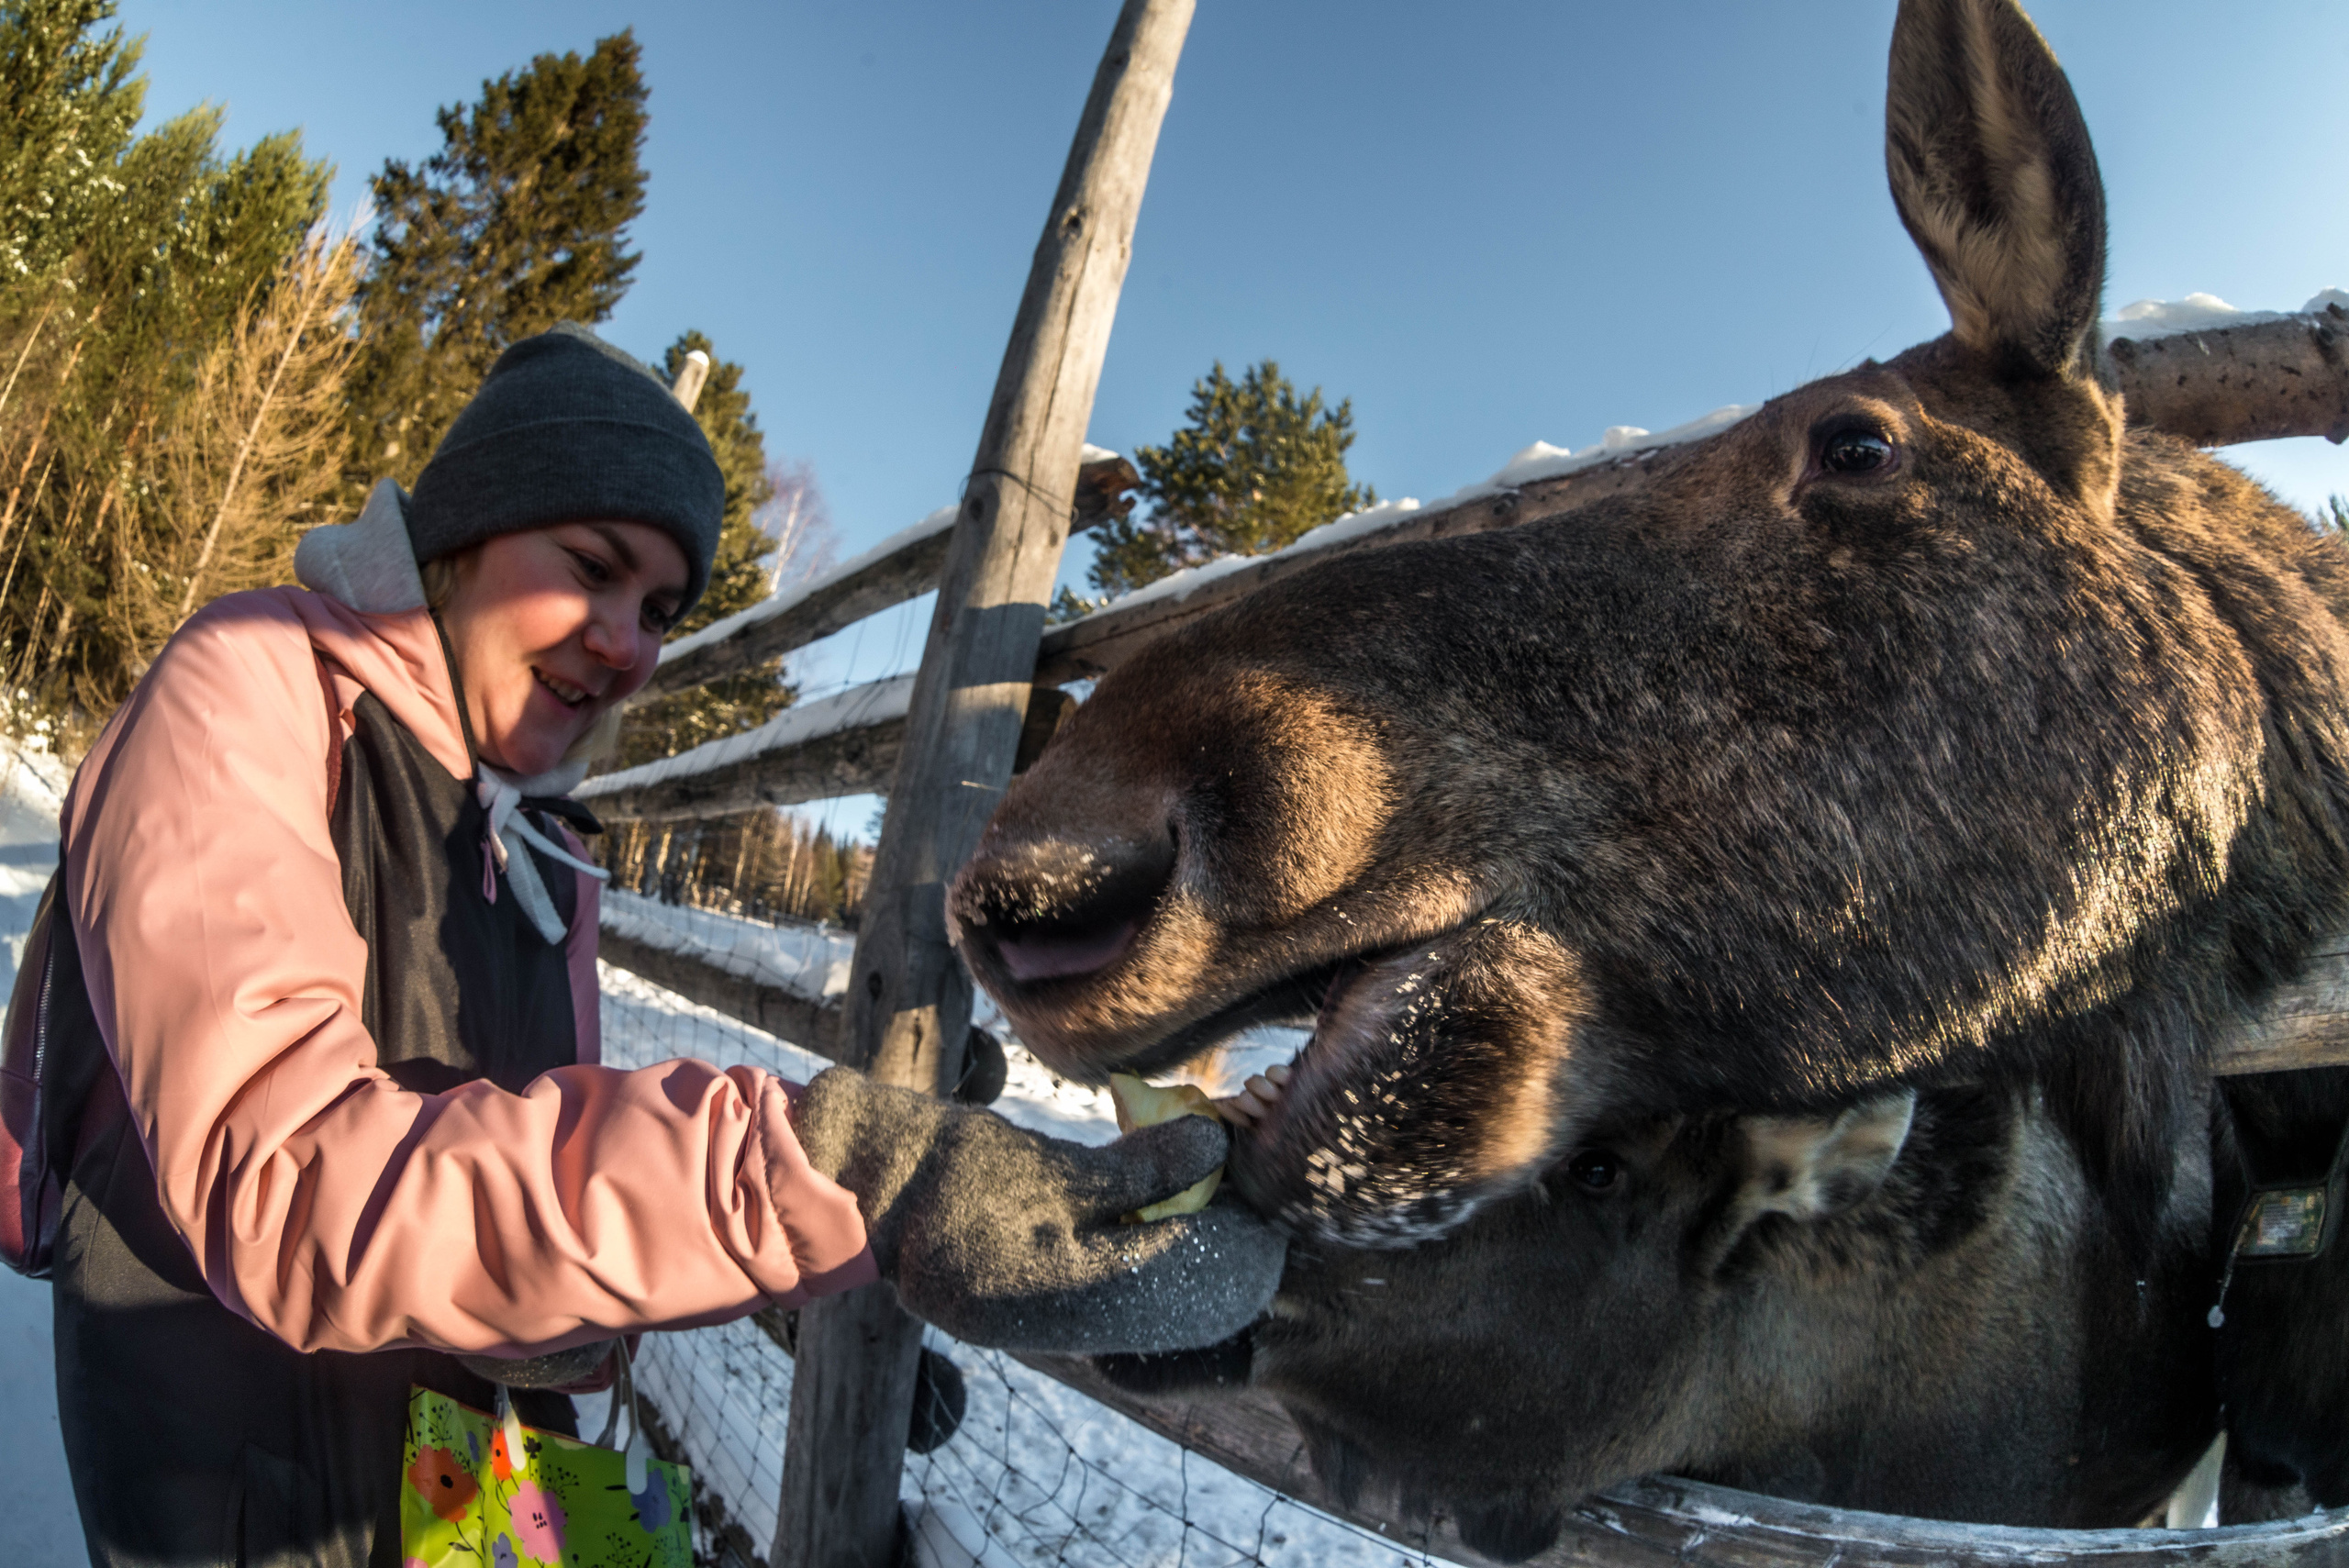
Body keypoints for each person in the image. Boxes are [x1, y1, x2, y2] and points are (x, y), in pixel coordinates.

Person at [34, 323, 1284, 1563]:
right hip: (252, 1482)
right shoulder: (253, 686)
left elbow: (521, 1176)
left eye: (660, 607)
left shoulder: (544, 847)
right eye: (591, 565)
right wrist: (847, 1183)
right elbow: (292, 1182)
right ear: (464, 533)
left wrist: (792, 1283)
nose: (627, 644)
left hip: (466, 1494)